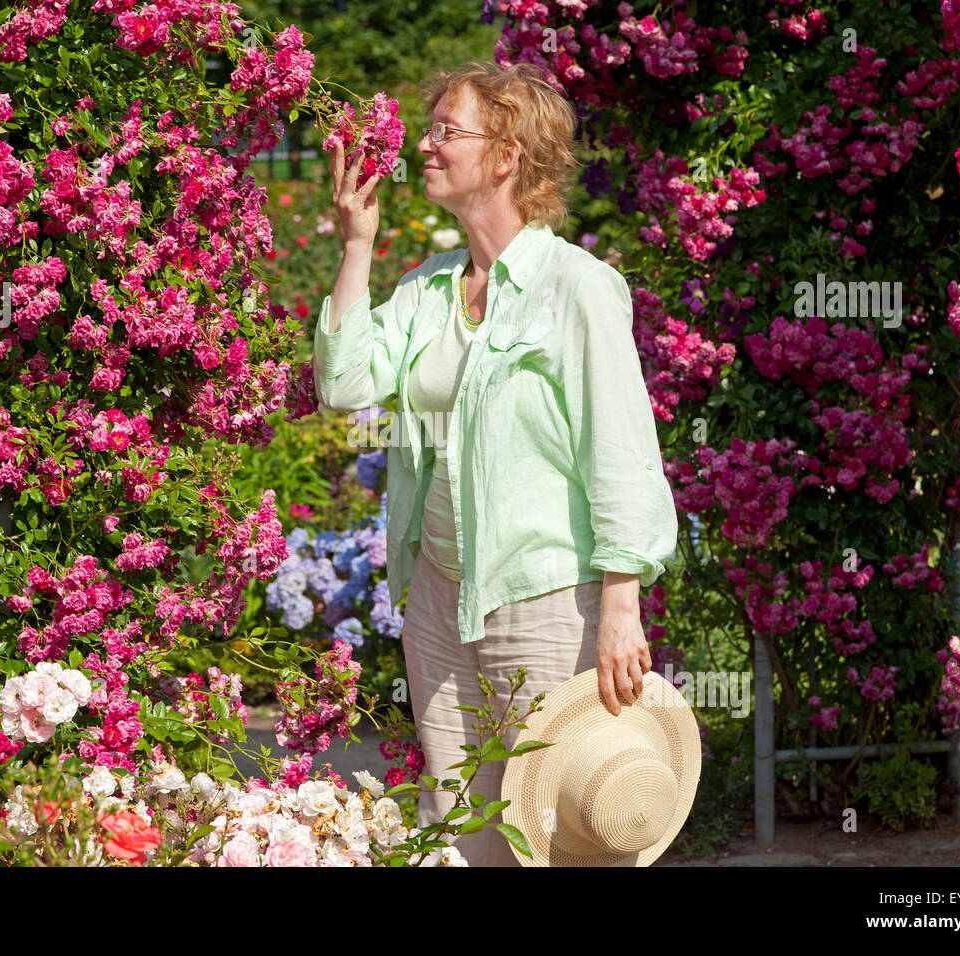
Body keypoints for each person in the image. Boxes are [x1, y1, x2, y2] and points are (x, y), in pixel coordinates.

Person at [312, 61, 678, 866]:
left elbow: (620, 449)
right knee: (459, 833)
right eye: (430, 128)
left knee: (550, 831)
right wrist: (358, 245)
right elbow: (342, 383)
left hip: (547, 602)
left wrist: (622, 605)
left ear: (508, 153)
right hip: (440, 599)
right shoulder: (430, 285)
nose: (425, 145)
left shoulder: (577, 288)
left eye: (448, 130)